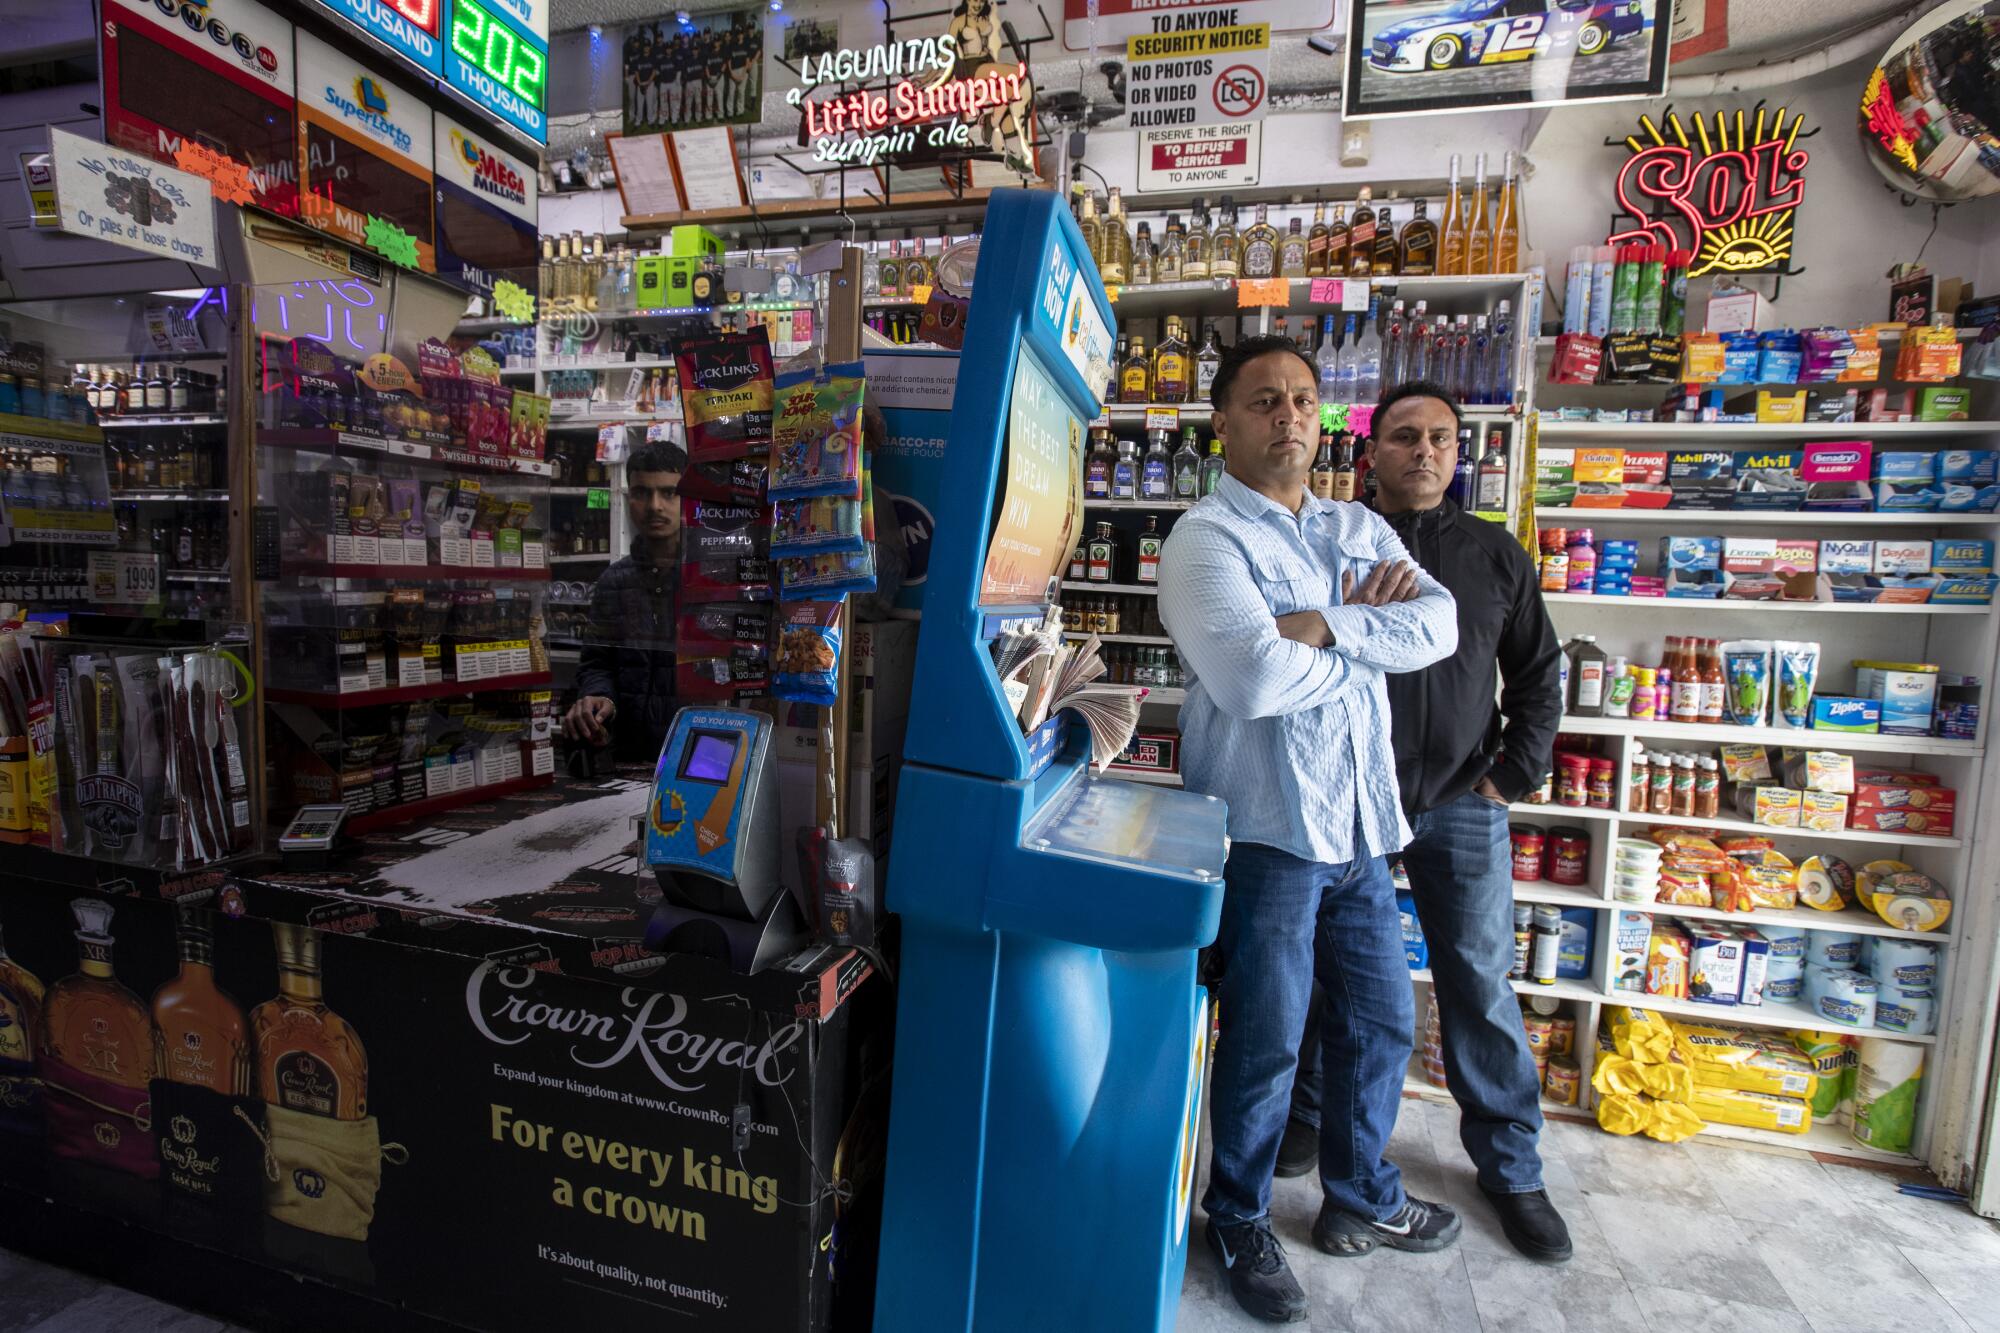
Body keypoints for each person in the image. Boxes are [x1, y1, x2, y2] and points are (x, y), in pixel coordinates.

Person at [1156, 336, 1461, 1325]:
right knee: (1265, 1043)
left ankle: (1358, 1193)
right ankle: (1237, 1214)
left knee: (1379, 1024)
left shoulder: (1353, 524)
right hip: (1267, 839)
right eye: (1261, 401)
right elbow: (1248, 680)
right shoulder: (1204, 539)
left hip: (1364, 831)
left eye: (1300, 399)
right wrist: (1367, 642)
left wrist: (1323, 625)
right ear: (1222, 424)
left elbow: (1440, 624)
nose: (1286, 416)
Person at [1276, 379, 1569, 1264]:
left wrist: (1510, 776)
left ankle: (1511, 1166)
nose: (1426, 452)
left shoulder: (1494, 555)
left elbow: (1539, 674)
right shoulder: (1331, 541)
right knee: (1341, 980)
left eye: (1441, 437)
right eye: (1405, 437)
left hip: (1458, 802)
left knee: (1477, 980)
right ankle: (1315, 1119)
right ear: (1370, 452)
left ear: (1459, 450)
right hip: (1352, 801)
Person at [562, 441, 685, 763]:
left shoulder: (710, 577)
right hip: (629, 756)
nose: (655, 506)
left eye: (669, 493)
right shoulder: (614, 582)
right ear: (629, 497)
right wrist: (600, 699)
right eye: (642, 492)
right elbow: (597, 663)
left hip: (698, 754)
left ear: (688, 499)